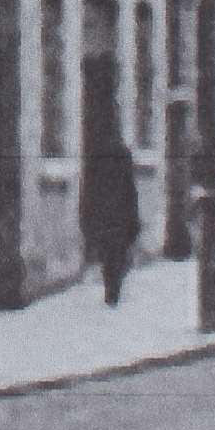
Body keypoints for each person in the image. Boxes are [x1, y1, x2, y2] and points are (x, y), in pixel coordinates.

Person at [80, 119, 141, 307]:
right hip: (120, 213)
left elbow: (88, 187)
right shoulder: (123, 155)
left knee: (108, 252)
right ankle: (114, 289)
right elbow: (131, 190)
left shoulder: (94, 156)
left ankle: (111, 289)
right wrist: (133, 217)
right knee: (118, 253)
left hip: (104, 212)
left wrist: (87, 212)